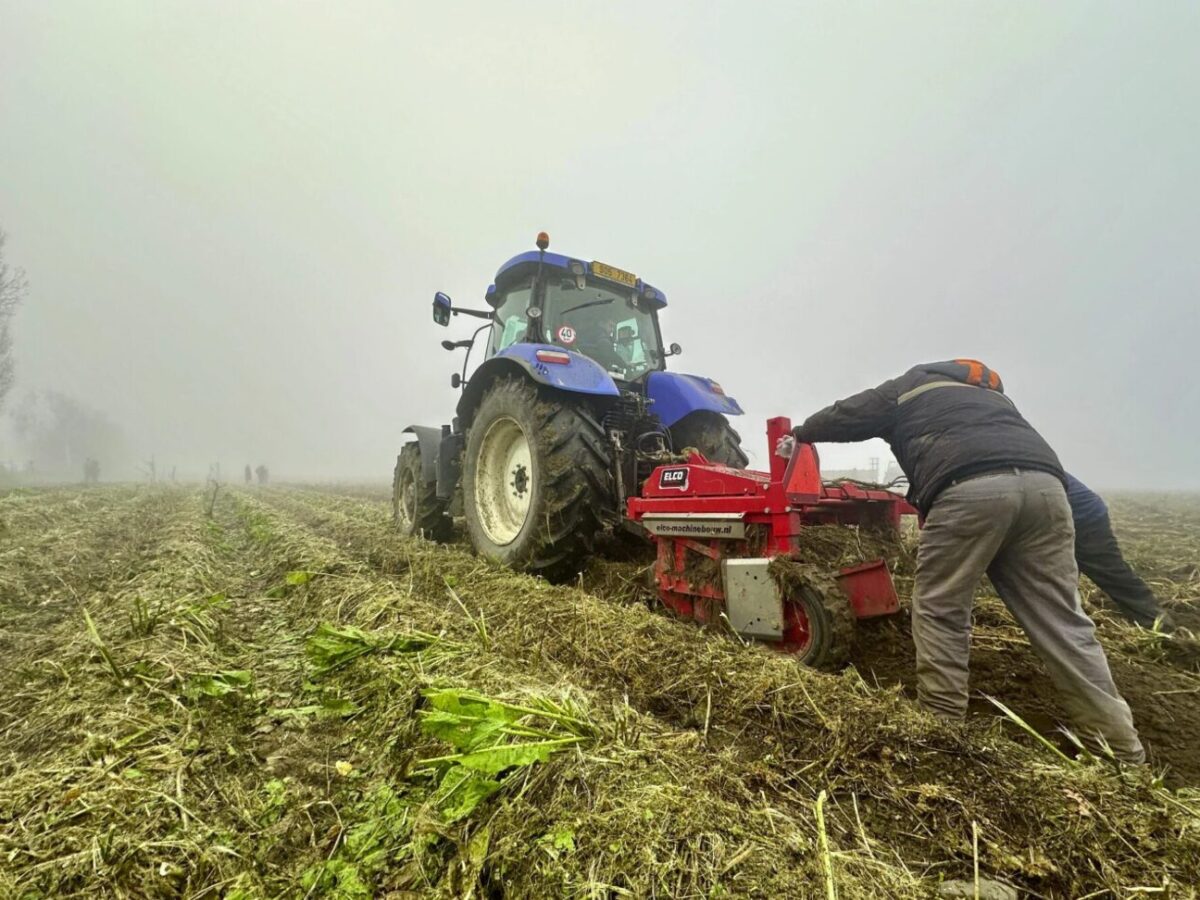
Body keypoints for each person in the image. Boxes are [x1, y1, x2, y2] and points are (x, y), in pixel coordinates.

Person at [780, 359, 1144, 763]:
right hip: (1049, 494)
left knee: (940, 608)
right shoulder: (990, 397)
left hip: (969, 490)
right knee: (1064, 621)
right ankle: (1120, 750)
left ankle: (940, 728)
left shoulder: (909, 385)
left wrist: (800, 433)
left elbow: (848, 414)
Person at [1066, 473, 1172, 631]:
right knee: (1062, 576)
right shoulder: (1028, 460)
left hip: (1084, 516)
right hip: (1064, 513)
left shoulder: (1027, 466)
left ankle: (1159, 624)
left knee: (1110, 571)